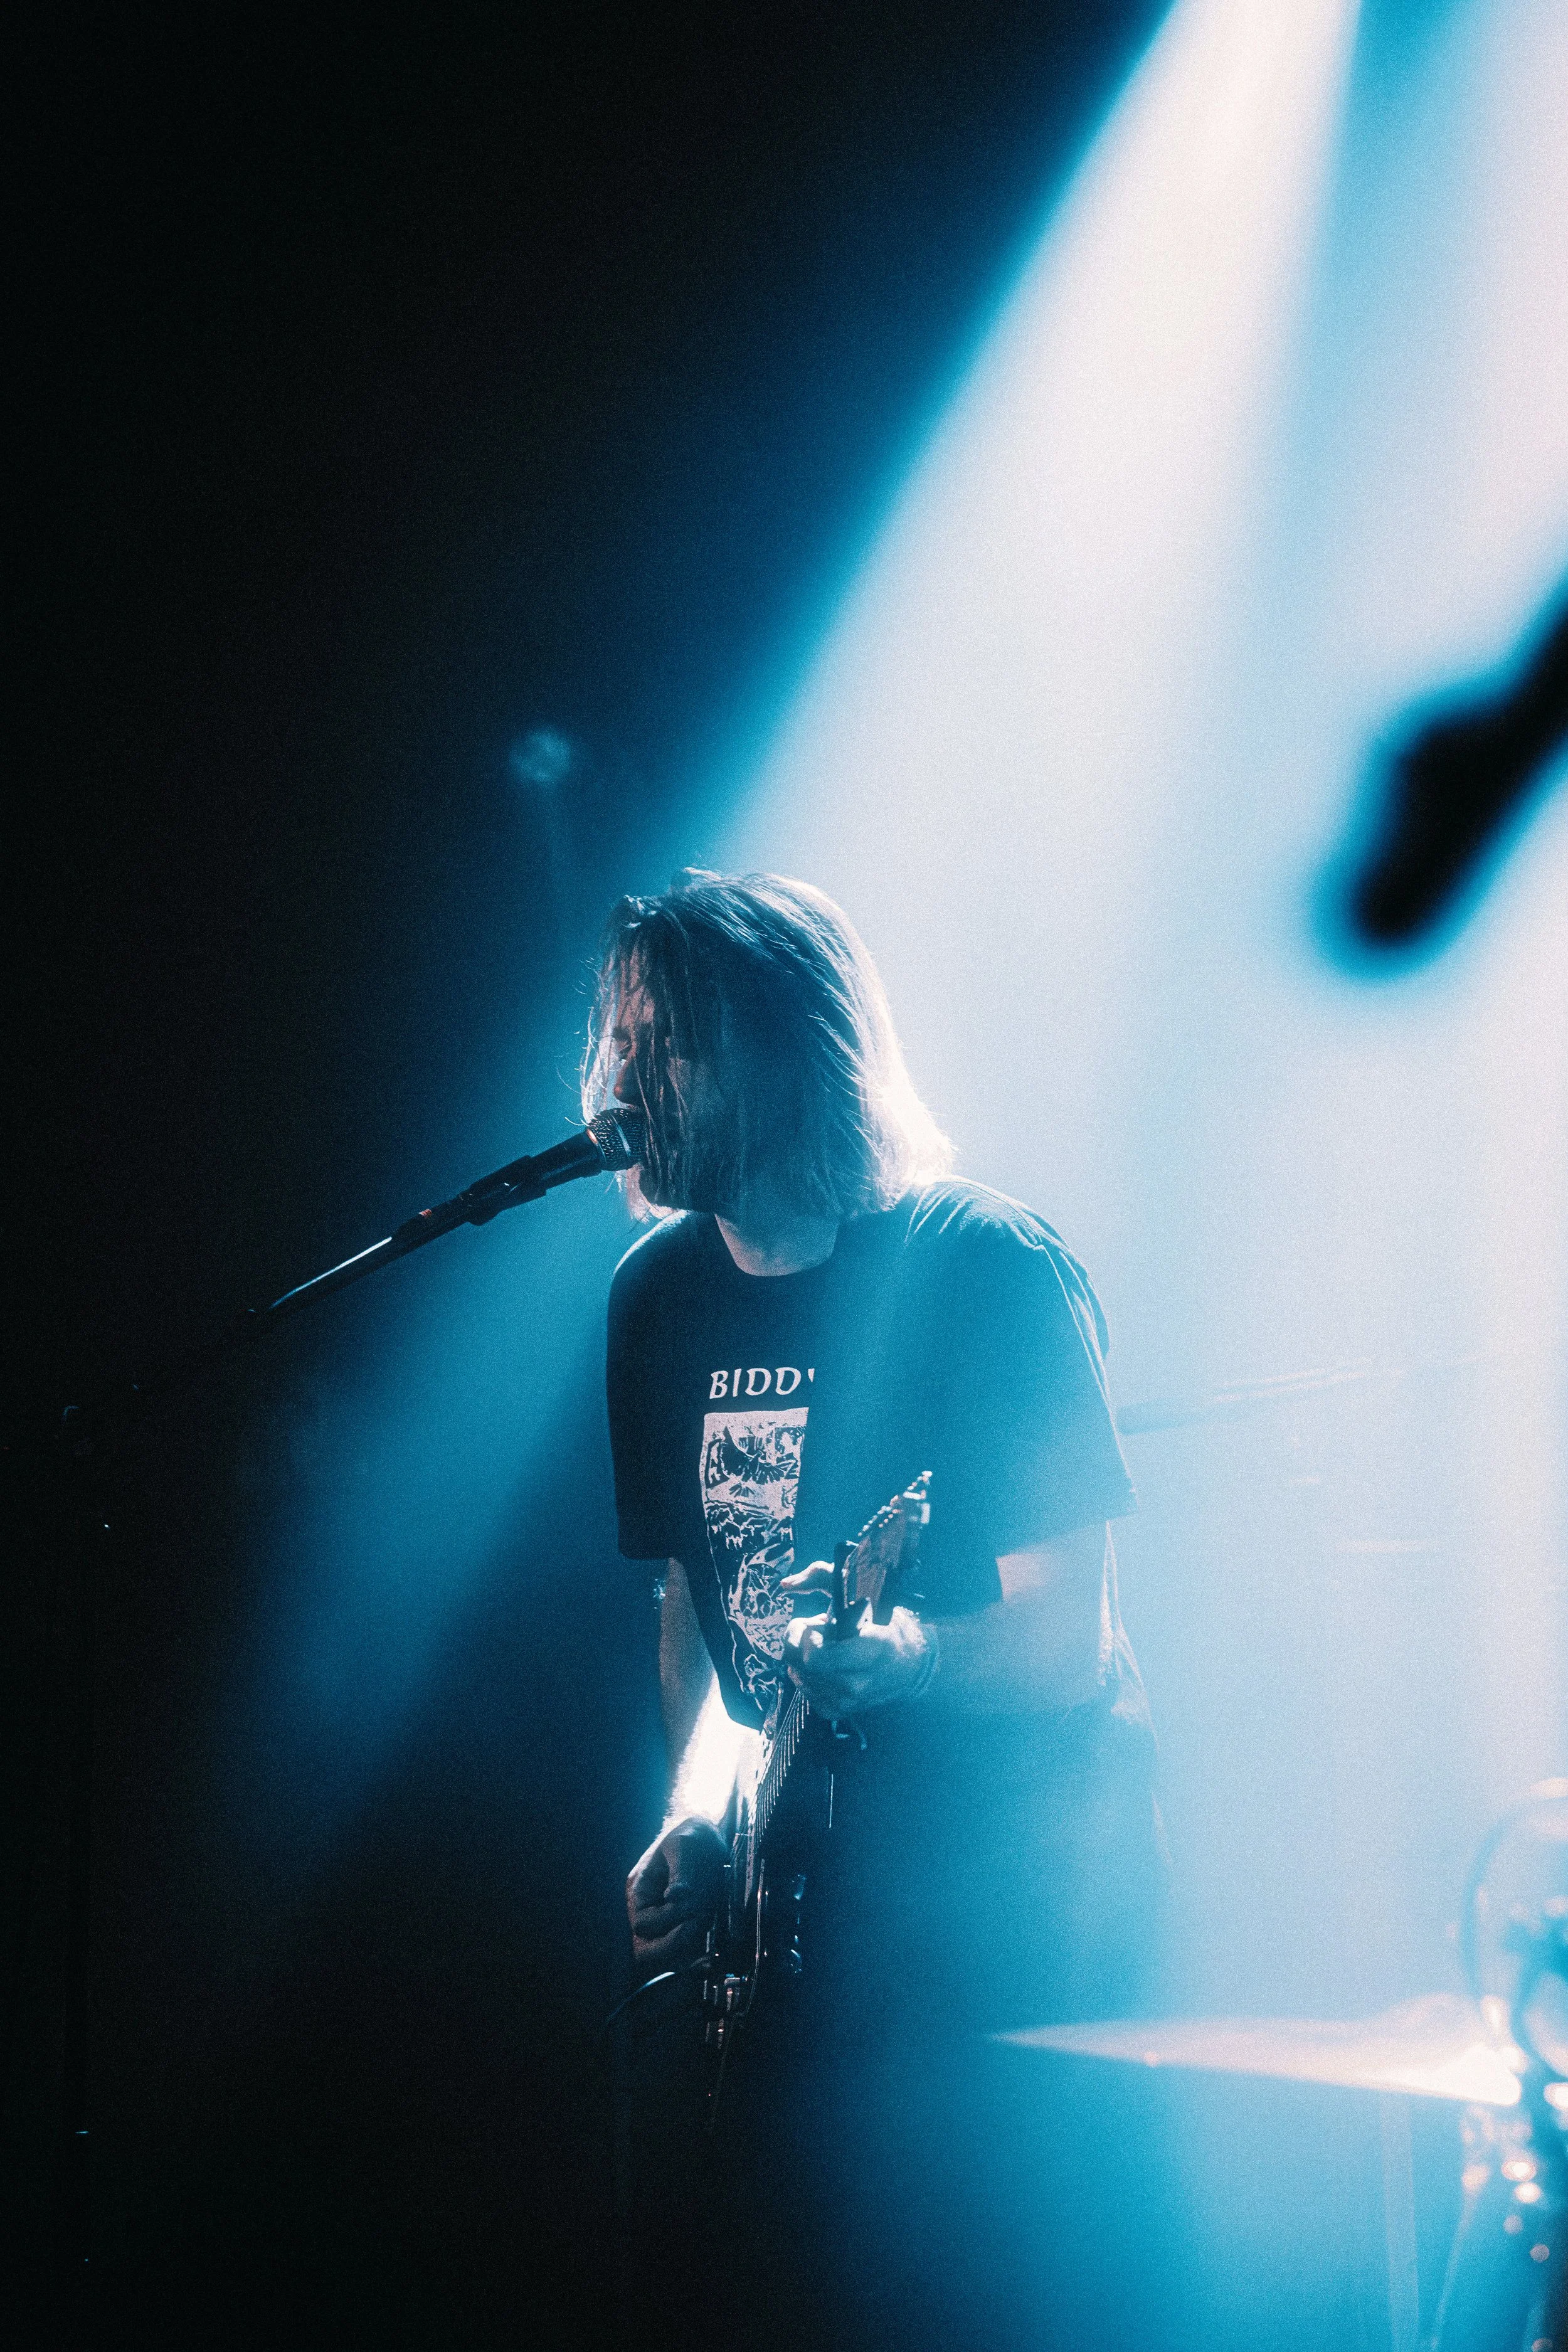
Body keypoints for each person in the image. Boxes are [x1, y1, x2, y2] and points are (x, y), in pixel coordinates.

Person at [592, 871, 1165, 2352]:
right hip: (791, 1920)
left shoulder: (982, 1272)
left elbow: (1062, 1644)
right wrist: (703, 1813)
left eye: (670, 1043)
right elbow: (692, 1603)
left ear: (785, 1045)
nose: (625, 1081)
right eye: (621, 1038)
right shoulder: (655, 1298)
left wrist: (904, 1660)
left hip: (1000, 1914)